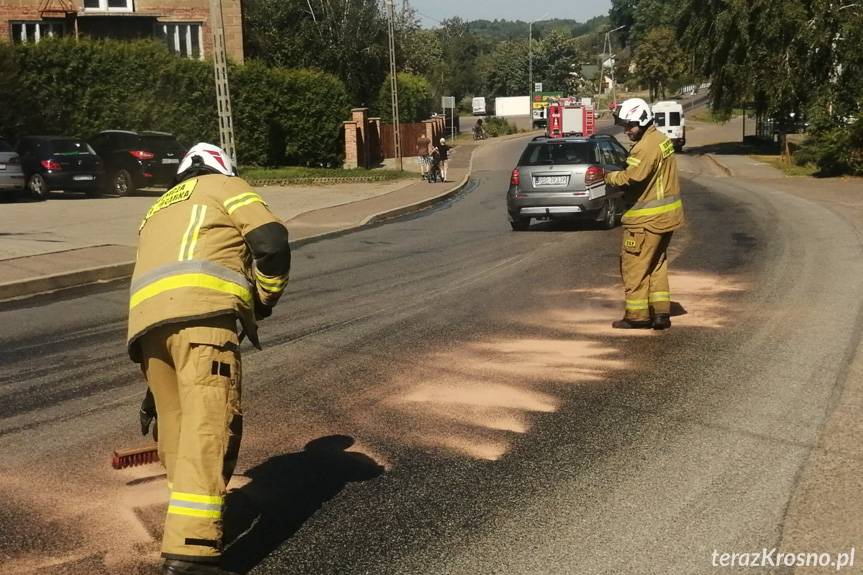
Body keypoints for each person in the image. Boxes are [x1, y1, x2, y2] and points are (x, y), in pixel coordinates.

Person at [128, 142, 292, 575]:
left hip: (148, 334)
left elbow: (164, 279)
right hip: (202, 325)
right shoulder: (225, 187)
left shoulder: (157, 209)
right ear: (221, 165)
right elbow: (272, 243)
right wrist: (265, 299)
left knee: (177, 436)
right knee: (209, 430)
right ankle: (192, 556)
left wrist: (151, 385)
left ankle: (182, 530)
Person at [604, 97, 685, 330]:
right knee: (656, 265)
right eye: (624, 126)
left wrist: (608, 176)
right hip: (665, 219)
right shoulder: (660, 140)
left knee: (635, 267)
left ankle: (637, 316)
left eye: (629, 125)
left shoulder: (645, 146)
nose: (626, 130)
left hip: (645, 220)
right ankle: (661, 313)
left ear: (642, 119)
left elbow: (632, 177)